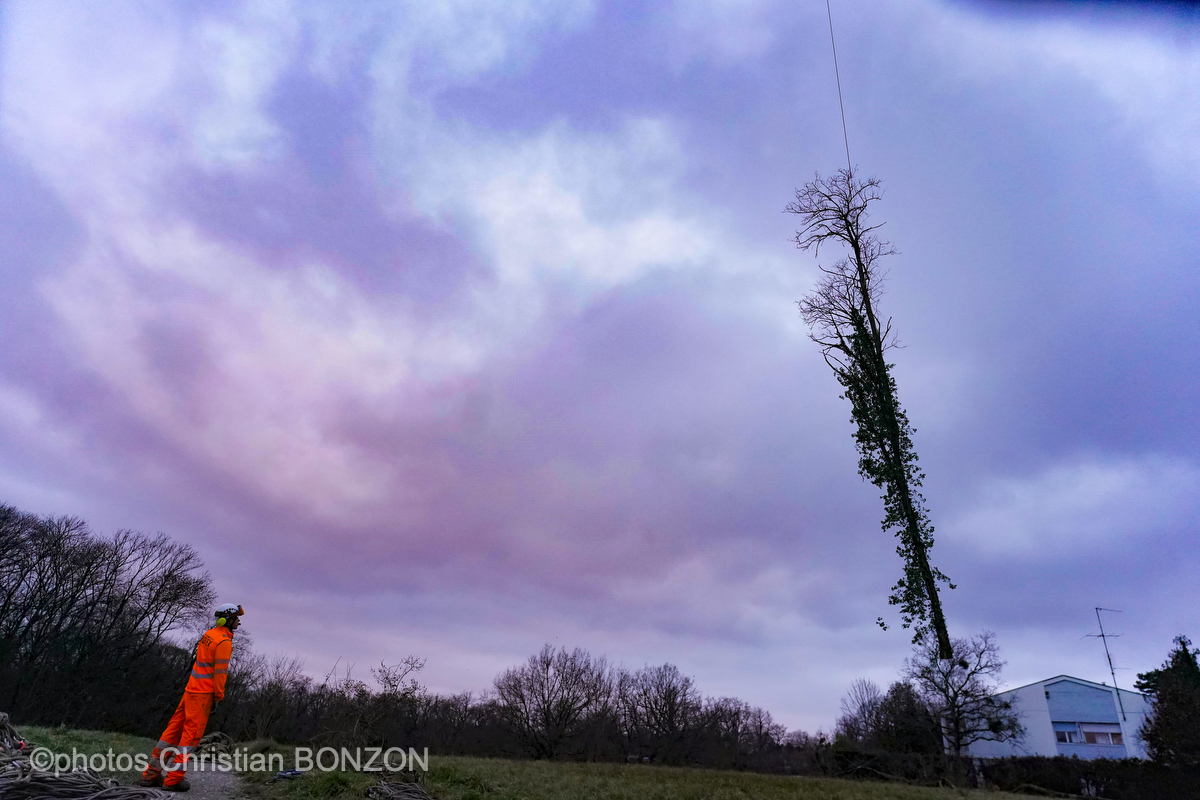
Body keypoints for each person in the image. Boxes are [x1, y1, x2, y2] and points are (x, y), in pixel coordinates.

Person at [139, 603, 243, 792]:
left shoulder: (209, 635)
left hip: (190, 690)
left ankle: (150, 775)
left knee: (171, 733)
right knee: (190, 738)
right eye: (237, 618)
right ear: (228, 620)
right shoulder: (224, 643)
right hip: (203, 695)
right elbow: (220, 673)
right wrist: (219, 697)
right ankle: (173, 780)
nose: (239, 622)